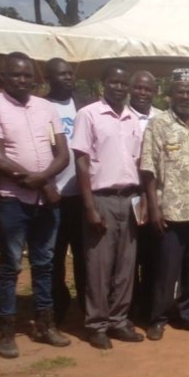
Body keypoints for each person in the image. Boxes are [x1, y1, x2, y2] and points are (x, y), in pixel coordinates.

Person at [0, 52, 71, 359]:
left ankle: (45, 324)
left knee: (44, 264)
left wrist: (44, 181)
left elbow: (63, 154)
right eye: (16, 75)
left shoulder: (45, 107)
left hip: (46, 202)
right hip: (12, 200)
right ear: (4, 76)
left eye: (27, 75)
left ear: (35, 78)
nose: (22, 80)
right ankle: (5, 330)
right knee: (10, 265)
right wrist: (40, 181)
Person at [73, 63, 145, 349]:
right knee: (99, 265)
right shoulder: (88, 115)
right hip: (100, 198)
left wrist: (143, 203)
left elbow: (138, 162)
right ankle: (97, 324)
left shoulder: (132, 119)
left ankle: (119, 320)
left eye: (123, 83)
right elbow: (81, 161)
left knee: (126, 265)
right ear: (103, 84)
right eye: (113, 82)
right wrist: (89, 206)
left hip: (129, 198)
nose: (119, 87)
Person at [141, 69, 189, 340]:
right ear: (170, 94)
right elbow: (148, 171)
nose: (185, 96)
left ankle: (188, 315)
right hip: (169, 212)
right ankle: (158, 318)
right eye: (180, 91)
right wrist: (154, 208)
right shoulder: (158, 124)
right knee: (165, 271)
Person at [45, 58, 89, 326]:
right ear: (48, 77)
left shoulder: (83, 105)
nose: (67, 79)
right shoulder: (40, 107)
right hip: (53, 196)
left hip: (82, 196)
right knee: (53, 257)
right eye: (60, 75)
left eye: (70, 74)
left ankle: (86, 307)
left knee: (85, 257)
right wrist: (48, 185)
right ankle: (56, 309)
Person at [128, 70, 159, 322]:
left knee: (151, 255)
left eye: (147, 89)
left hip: (155, 196)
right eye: (138, 88)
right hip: (125, 194)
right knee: (127, 256)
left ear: (155, 92)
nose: (142, 93)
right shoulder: (120, 115)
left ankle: (148, 308)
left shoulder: (162, 119)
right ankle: (127, 308)